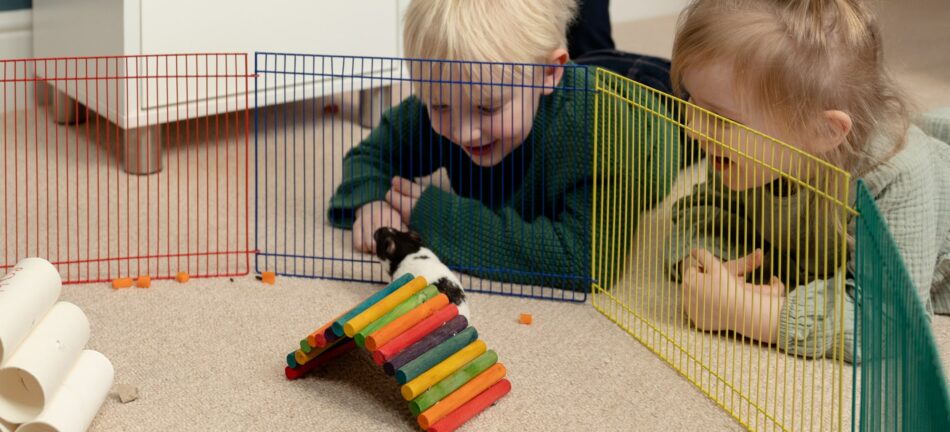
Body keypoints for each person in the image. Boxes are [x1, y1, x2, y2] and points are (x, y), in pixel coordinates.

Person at [666, 0, 950, 363]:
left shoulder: (896, 176)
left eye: (720, 117)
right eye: (692, 101)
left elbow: (892, 325)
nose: (693, 129)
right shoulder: (737, 152)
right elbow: (706, 210)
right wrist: (713, 268)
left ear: (822, 130)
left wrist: (750, 314)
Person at [328, 0, 681, 290]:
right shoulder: (458, 87)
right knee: (590, 59)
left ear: (548, 75)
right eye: (439, 106)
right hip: (570, 73)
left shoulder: (601, 134)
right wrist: (370, 202)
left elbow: (584, 260)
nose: (464, 133)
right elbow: (370, 154)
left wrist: (437, 217)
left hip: (658, 100)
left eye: (487, 107)